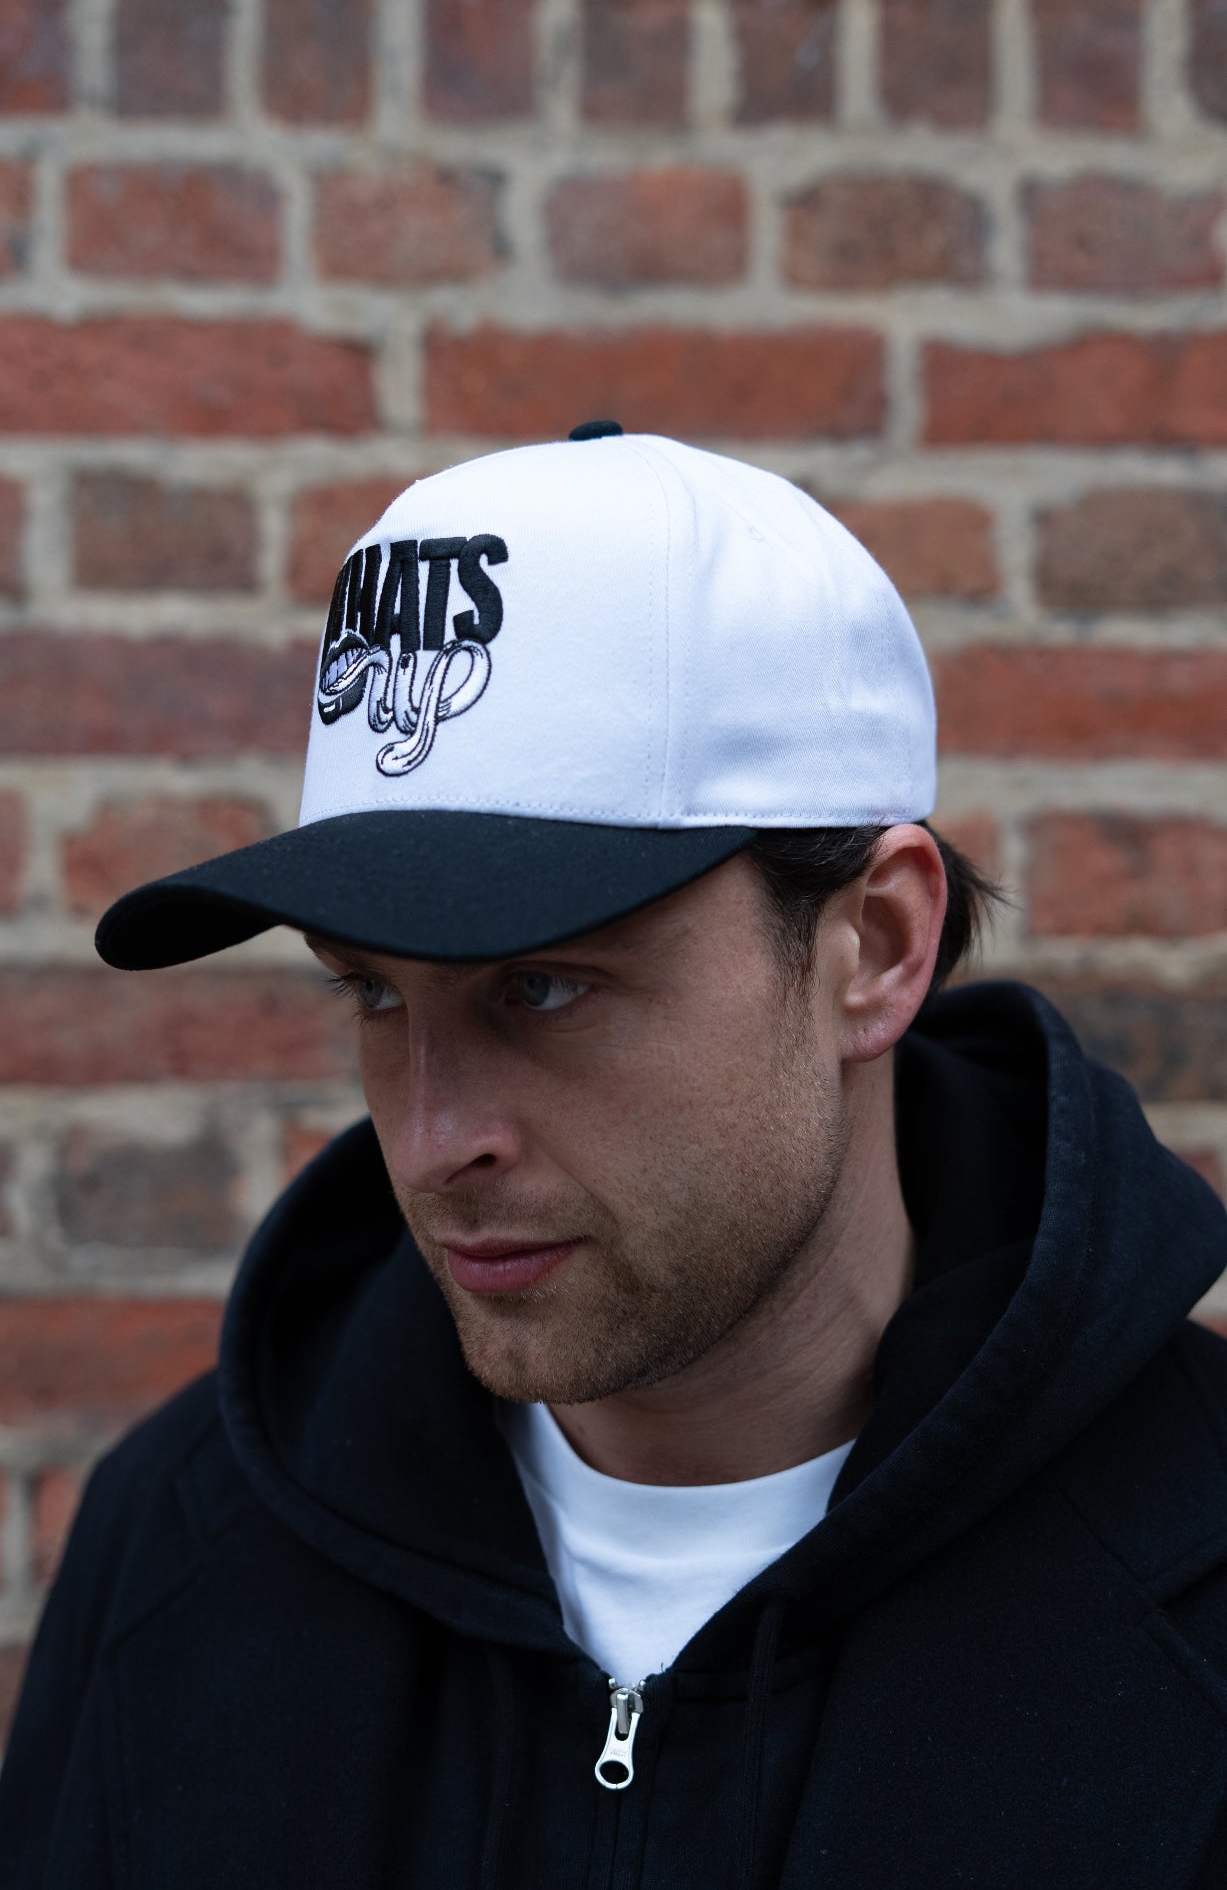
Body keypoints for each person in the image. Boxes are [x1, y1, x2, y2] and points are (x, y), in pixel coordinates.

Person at [2, 423, 1226, 1890]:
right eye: (373, 992)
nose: (435, 1140)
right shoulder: (180, 1546)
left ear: (876, 945)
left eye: (543, 987)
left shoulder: (1191, 1567)